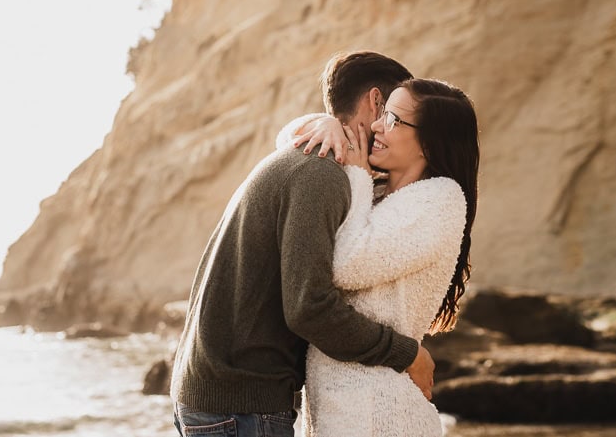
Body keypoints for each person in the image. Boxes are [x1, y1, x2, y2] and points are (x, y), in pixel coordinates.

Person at [169, 51, 436, 437]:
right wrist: (407, 354)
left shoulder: (305, 157)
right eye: (392, 116)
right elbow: (308, 307)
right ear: (375, 101)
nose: (392, 129)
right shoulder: (320, 174)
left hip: (218, 397)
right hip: (241, 406)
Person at [288, 77, 480, 437]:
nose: (376, 124)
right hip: (345, 409)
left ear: (429, 143)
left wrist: (358, 177)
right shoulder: (376, 192)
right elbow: (293, 149)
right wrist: (325, 123)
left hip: (379, 415)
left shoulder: (440, 200)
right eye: (382, 113)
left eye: (392, 120)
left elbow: (345, 264)